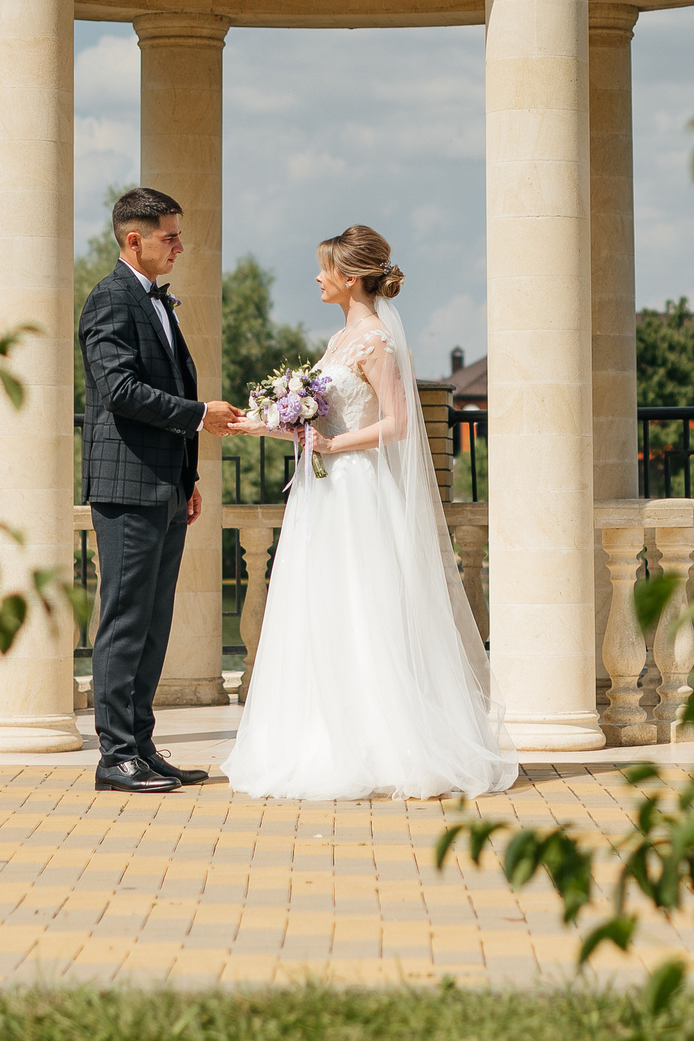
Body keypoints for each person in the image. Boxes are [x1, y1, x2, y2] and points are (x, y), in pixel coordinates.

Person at [222, 225, 518, 801]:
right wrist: (262, 422)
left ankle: (384, 744)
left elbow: (398, 423)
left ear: (350, 278)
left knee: (365, 606)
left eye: (324, 269)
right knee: (321, 608)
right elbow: (319, 414)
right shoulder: (340, 340)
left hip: (356, 491)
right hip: (322, 494)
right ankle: (321, 736)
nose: (316, 277)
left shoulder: (377, 341)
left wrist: (334, 446)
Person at [78, 186, 242, 794]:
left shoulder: (158, 302)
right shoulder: (109, 300)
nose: (179, 245)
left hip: (165, 487)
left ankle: (141, 747)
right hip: (126, 490)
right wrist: (201, 415)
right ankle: (115, 755)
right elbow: (118, 391)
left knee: (153, 622)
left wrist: (188, 477)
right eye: (169, 236)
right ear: (133, 240)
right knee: (124, 620)